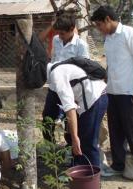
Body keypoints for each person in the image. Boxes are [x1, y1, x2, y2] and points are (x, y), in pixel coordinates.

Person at [91, 6, 133, 187]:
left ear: (108, 19)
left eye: (99, 25)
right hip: (113, 91)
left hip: (129, 92)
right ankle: (118, 164)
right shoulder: (108, 39)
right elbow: (112, 63)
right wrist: (106, 78)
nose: (99, 29)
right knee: (116, 131)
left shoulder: (130, 34)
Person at [46, 62, 107, 166]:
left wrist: (74, 138)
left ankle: (92, 177)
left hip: (95, 98)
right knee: (81, 138)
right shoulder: (57, 67)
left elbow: (70, 108)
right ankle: (78, 169)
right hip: (93, 97)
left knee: (88, 142)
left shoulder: (56, 75)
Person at [42, 13, 90, 142]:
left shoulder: (81, 46)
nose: (60, 37)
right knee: (47, 118)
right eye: (59, 33)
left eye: (63, 33)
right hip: (54, 86)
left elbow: (84, 69)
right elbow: (55, 58)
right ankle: (50, 147)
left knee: (69, 121)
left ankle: (70, 150)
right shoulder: (56, 40)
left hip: (71, 89)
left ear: (71, 29)